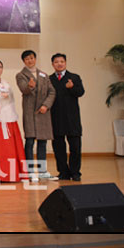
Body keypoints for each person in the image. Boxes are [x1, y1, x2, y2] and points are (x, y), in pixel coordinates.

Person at [15, 49, 56, 182]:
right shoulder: (20, 75)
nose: (30, 61)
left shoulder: (43, 75)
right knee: (30, 141)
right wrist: (30, 86)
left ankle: (42, 171)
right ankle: (30, 171)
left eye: (32, 58)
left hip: (43, 112)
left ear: (35, 59)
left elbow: (52, 92)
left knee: (43, 142)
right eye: (27, 59)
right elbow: (24, 89)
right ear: (23, 61)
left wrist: (46, 105)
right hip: (30, 112)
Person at [0, 59, 26, 182]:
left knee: (11, 148)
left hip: (9, 118)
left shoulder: (7, 84)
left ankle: (13, 173)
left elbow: (11, 101)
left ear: (2, 69)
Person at [50, 53, 85, 181]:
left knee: (75, 147)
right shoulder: (49, 79)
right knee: (58, 148)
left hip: (72, 118)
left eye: (62, 61)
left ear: (65, 63)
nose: (59, 64)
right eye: (56, 62)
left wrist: (72, 88)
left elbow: (80, 92)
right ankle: (63, 172)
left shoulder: (74, 77)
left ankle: (75, 172)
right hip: (56, 117)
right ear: (52, 64)